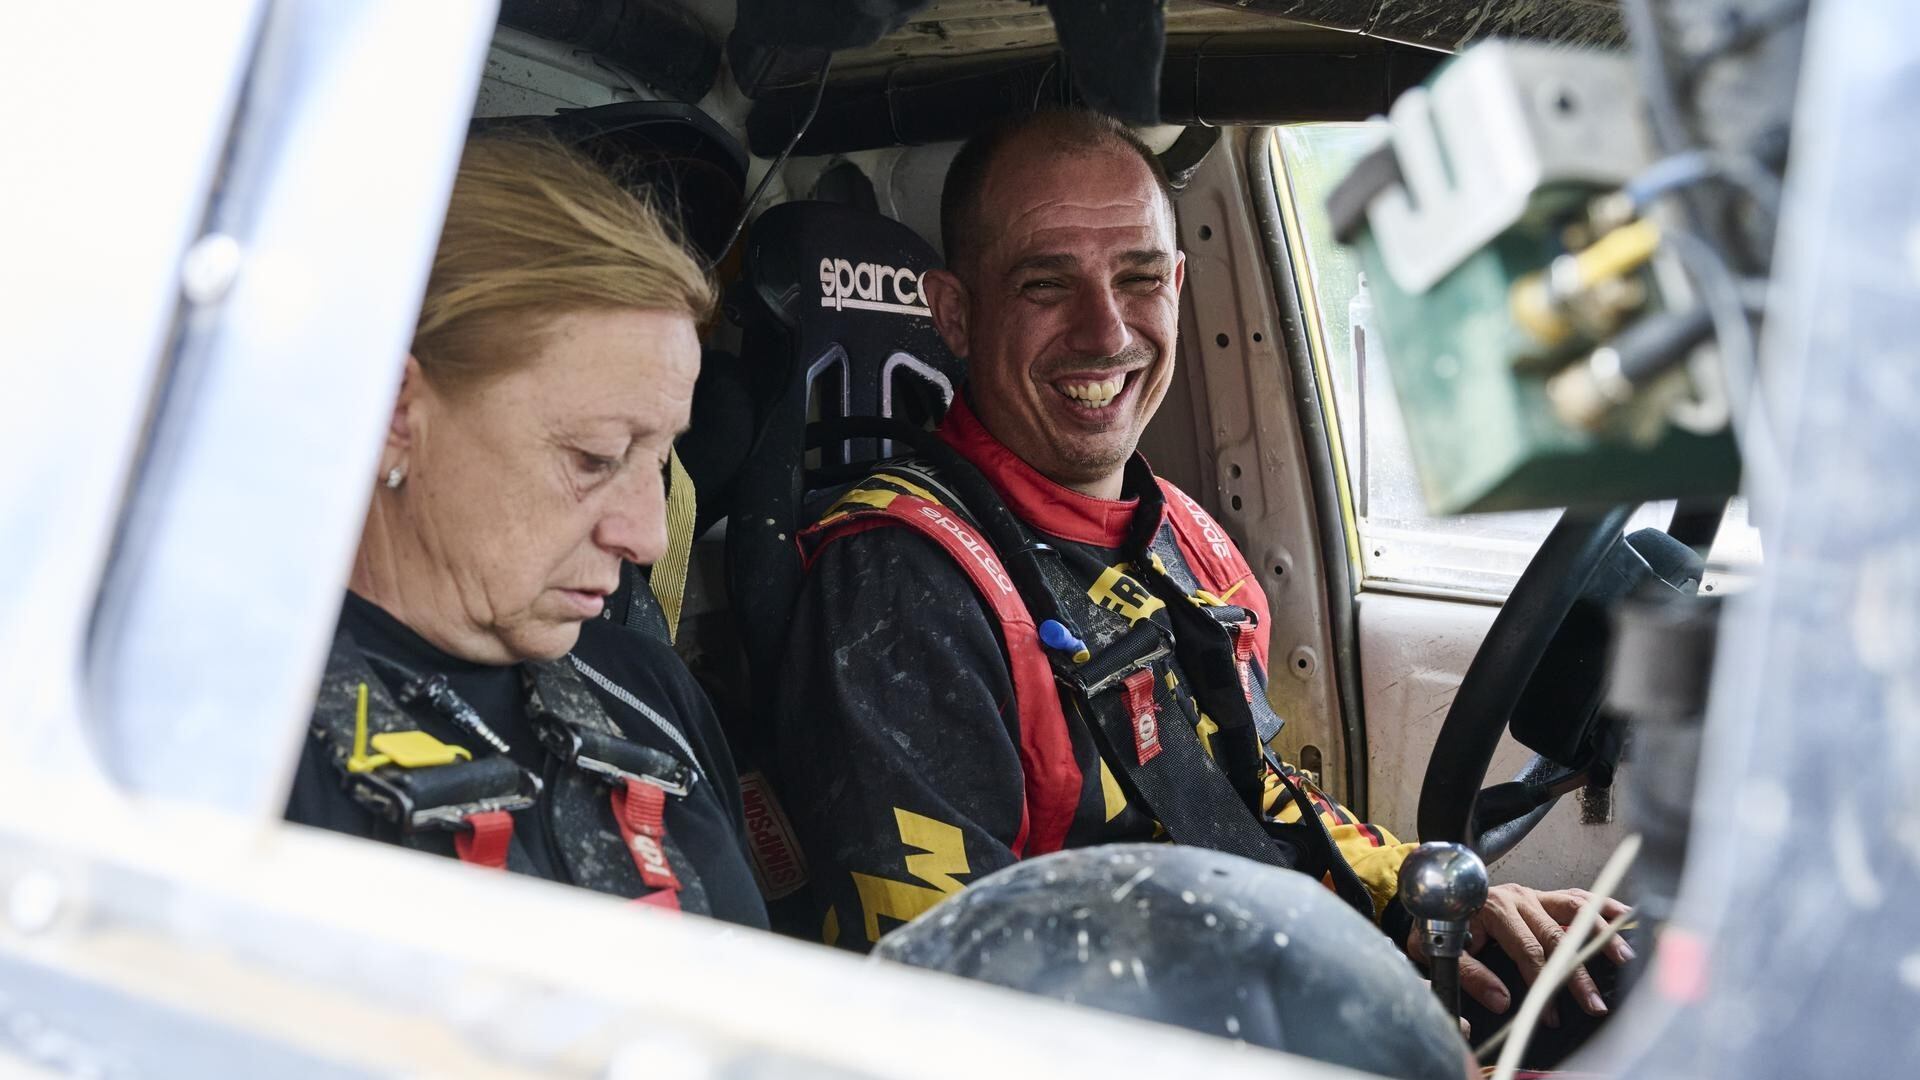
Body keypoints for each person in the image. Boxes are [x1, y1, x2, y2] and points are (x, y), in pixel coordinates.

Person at [772, 110, 1626, 1021]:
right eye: (1045, 283)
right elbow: (936, 1001)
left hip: (1258, 986)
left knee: (1618, 983)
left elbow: (1249, 791)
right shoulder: (905, 587)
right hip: (1137, 1037)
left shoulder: (1187, 536)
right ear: (955, 313)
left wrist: (1421, 896)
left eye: (1139, 278)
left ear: (1177, 286)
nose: (1106, 332)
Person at [286, 132, 766, 928]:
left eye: (660, 458)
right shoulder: (223, 733)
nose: (646, 537)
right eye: (596, 456)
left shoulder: (647, 689)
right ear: (394, 413)